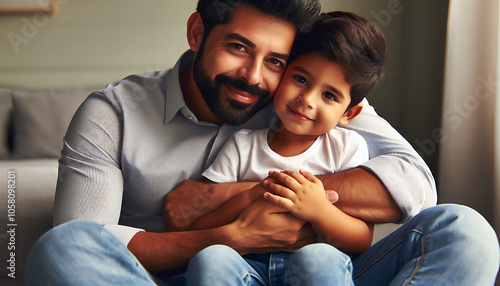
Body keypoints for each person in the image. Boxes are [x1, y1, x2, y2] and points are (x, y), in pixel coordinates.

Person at [24, 0, 499, 285]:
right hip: (175, 277)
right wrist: (225, 236)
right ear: (196, 33)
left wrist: (249, 195)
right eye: (238, 48)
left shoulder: (303, 97)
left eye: (276, 61)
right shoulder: (113, 114)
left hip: (316, 270)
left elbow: (416, 185)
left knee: (465, 231)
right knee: (60, 248)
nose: (254, 77)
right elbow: (91, 237)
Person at [182, 11, 385, 285]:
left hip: (311, 265)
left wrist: (319, 211)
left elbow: (360, 240)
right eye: (300, 79)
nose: (307, 100)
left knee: (320, 259)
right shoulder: (243, 144)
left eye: (329, 95)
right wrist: (250, 196)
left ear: (349, 113)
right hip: (246, 264)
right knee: (210, 259)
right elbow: (199, 226)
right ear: (281, 73)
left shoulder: (346, 148)